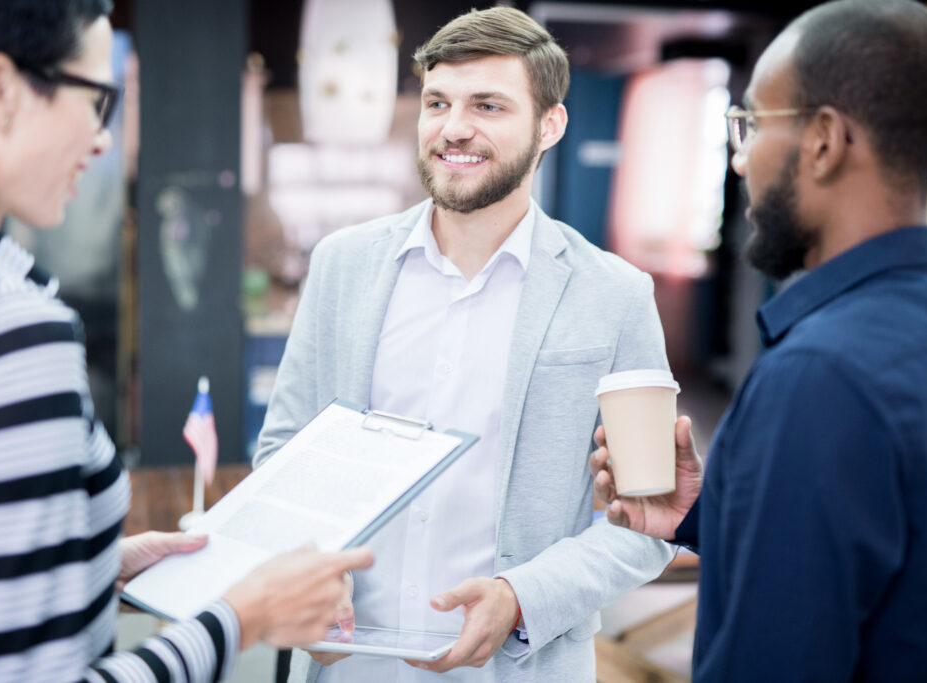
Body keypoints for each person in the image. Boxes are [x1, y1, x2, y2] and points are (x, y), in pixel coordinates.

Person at [0, 1, 373, 681]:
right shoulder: (3, 330)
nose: (103, 139)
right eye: (96, 99)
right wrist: (242, 616)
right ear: (0, 90)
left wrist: (90, 562)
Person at [254, 7, 677, 682]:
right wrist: (309, 569)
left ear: (550, 125)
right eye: (437, 102)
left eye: (487, 105)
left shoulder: (615, 294)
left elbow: (649, 520)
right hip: (352, 666)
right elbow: (284, 457)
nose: (453, 127)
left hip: (521, 668)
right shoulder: (342, 265)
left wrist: (522, 597)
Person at [590, 0, 927, 680]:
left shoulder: (820, 378)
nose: (741, 160)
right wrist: (710, 514)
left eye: (751, 124)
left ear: (824, 140)